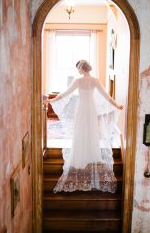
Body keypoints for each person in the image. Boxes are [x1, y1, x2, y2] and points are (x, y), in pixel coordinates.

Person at [48, 59, 123, 193]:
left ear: (82, 69)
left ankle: (79, 158)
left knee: (80, 132)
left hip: (81, 109)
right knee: (91, 132)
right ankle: (91, 156)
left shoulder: (77, 81)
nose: (78, 70)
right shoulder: (95, 80)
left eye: (78, 68)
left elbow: (65, 94)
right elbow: (107, 97)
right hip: (91, 109)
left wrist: (51, 100)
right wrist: (116, 105)